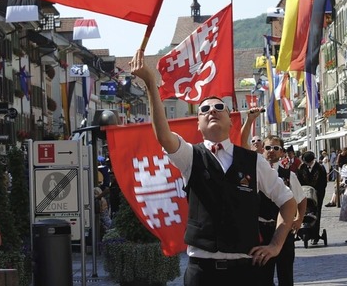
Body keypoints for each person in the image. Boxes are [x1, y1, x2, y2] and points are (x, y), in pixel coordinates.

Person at [130, 50, 296, 284]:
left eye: (219, 107)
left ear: (230, 120)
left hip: (246, 270)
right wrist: (149, 83)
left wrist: (276, 245)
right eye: (204, 110)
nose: (212, 111)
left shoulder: (253, 160)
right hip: (203, 271)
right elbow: (164, 136)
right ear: (198, 124)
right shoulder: (191, 156)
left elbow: (288, 203)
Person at [256, 135, 306, 286]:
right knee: (263, 275)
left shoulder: (289, 175)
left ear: (282, 152)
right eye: (268, 147)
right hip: (261, 229)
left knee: (285, 275)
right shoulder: (255, 173)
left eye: (276, 148)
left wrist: (299, 219)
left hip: (284, 230)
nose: (272, 151)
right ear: (262, 149)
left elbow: (301, 199)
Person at [296, 151, 328, 245]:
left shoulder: (320, 168)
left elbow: (323, 183)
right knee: (304, 212)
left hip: (317, 195)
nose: (307, 164)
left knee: (316, 213)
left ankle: (315, 235)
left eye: (308, 162)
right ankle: (304, 232)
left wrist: (318, 192)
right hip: (304, 194)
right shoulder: (301, 168)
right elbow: (298, 180)